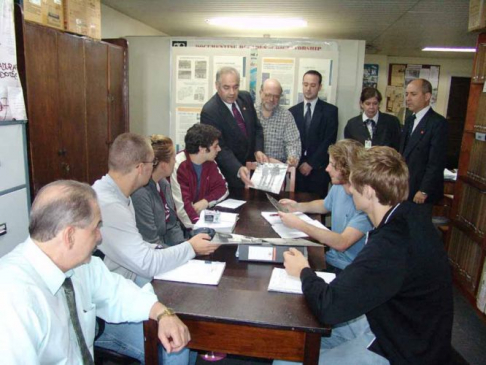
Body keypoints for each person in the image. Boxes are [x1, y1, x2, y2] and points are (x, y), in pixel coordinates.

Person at [275, 146, 453, 364]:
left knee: (287, 360)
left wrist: (303, 271)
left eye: (353, 183)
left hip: (400, 348)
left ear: (368, 191)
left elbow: (329, 308)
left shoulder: (392, 244)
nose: (349, 189)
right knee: (289, 349)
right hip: (393, 322)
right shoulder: (409, 217)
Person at [0, 180, 191, 364]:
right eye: (96, 227)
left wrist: (162, 313)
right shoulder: (13, 299)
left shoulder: (79, 265)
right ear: (69, 235)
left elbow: (117, 292)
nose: (100, 237)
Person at [92, 132, 219, 362]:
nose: (154, 168)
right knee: (176, 344)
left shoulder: (119, 193)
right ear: (141, 167)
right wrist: (190, 248)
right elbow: (145, 262)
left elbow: (140, 249)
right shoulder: (109, 204)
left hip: (126, 287)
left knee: (184, 327)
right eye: (152, 164)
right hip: (104, 313)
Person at [278, 139, 372, 271]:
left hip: (348, 268)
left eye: (332, 165)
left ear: (346, 169)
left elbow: (342, 242)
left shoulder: (365, 203)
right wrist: (298, 207)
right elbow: (326, 205)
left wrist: (299, 224)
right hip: (331, 257)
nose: (327, 169)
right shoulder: (339, 186)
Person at [201, 66, 268, 189]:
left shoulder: (246, 97)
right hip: (231, 174)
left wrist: (258, 149)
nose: (232, 92)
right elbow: (220, 148)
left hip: (253, 169)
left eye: (235, 87)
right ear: (217, 86)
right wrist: (238, 168)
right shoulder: (210, 111)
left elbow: (257, 127)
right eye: (226, 87)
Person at [399, 78, 448, 212]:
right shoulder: (409, 120)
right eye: (407, 94)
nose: (408, 98)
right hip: (404, 187)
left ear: (427, 96)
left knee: (417, 227)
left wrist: (424, 190)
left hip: (420, 191)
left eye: (413, 94)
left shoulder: (437, 123)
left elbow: (436, 162)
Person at [289, 70, 338, 197]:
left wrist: (311, 164)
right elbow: (291, 140)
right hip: (297, 171)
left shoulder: (330, 111)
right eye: (305, 85)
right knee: (297, 206)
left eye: (313, 85)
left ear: (320, 87)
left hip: (319, 170)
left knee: (317, 210)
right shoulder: (293, 111)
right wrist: (299, 163)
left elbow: (329, 141)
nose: (308, 89)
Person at [171, 124, 229, 229]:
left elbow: (223, 188)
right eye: (215, 146)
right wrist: (201, 228)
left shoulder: (210, 162)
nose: (219, 149)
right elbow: (182, 209)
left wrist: (206, 202)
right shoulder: (178, 165)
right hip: (181, 226)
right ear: (202, 149)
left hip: (199, 220)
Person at [132, 134, 185, 247]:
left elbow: (172, 224)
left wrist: (183, 246)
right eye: (173, 158)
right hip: (153, 253)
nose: (175, 161)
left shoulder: (164, 184)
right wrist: (179, 254)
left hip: (167, 249)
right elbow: (150, 241)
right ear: (163, 165)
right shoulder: (140, 194)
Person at [256, 78, 301, 166]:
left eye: (276, 96)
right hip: (254, 167)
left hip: (278, 168)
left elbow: (292, 142)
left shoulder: (286, 116)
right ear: (260, 93)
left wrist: (292, 157)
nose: (271, 99)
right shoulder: (251, 113)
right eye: (268, 95)